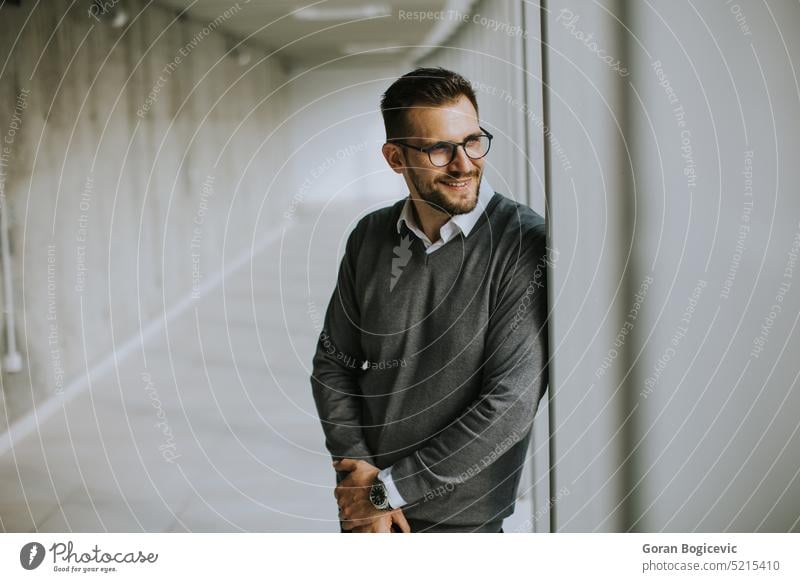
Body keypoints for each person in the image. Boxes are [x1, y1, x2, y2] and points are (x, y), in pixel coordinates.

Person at [310, 67, 550, 533]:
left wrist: (386, 491)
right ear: (395, 157)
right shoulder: (371, 235)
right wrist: (357, 473)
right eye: (439, 149)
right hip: (370, 511)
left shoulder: (523, 243)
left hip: (463, 522)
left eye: (473, 141)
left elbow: (510, 402)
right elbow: (333, 363)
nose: (464, 164)